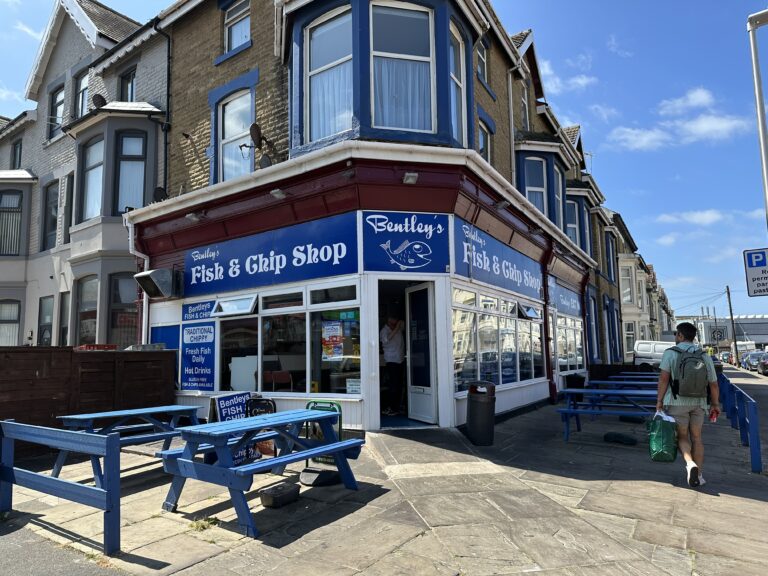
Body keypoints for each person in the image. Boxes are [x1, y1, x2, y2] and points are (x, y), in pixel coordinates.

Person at [655, 322, 720, 487]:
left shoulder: (670, 353)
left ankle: (690, 464)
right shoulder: (704, 355)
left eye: (677, 334)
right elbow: (713, 383)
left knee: (682, 437)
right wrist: (715, 404)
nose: (676, 337)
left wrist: (659, 401)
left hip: (677, 402)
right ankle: (700, 475)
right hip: (699, 402)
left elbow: (663, 379)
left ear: (681, 336)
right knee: (697, 438)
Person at [380, 315, 405, 416]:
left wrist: (399, 325)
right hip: (391, 360)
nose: (396, 321)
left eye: (396, 320)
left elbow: (404, 324)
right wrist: (396, 328)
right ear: (389, 320)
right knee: (393, 385)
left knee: (399, 384)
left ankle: (397, 407)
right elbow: (386, 340)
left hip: (400, 359)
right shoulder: (384, 331)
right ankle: (391, 407)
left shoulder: (398, 329)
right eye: (394, 319)